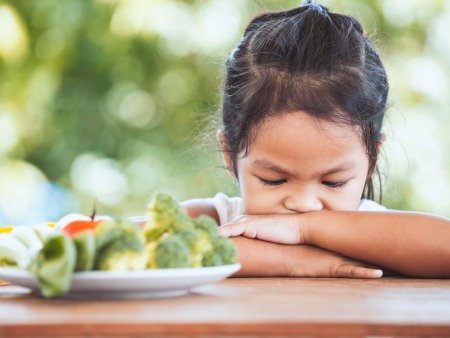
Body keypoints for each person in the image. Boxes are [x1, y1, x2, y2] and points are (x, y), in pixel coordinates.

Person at [181, 1, 450, 278]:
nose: (305, 204)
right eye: (274, 180)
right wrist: (291, 261)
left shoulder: (374, 229)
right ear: (229, 154)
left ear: (371, 159)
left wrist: (304, 229)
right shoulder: (220, 219)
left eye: (334, 182)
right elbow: (143, 243)